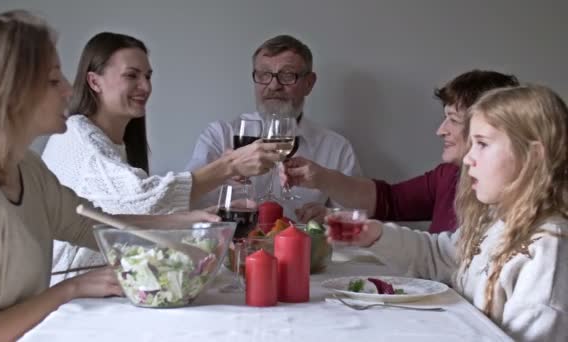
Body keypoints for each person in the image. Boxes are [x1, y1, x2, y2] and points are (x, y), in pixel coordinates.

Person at [0, 11, 219, 340]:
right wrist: (71, 288)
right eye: (54, 80)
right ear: (12, 92)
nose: (69, 89)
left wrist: (185, 222)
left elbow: (90, 225)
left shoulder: (27, 167)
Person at [41, 32, 284, 282]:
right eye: (131, 75)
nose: (145, 87)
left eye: (147, 76)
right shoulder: (77, 134)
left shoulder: (115, 144)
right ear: (94, 81)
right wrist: (229, 166)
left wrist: (194, 219)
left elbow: (127, 217)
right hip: (69, 298)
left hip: (107, 290)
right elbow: (142, 200)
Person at [345, 85, 568, 341]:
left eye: (482, 144)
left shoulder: (549, 249)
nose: (468, 158)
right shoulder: (495, 221)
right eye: (471, 144)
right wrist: (376, 235)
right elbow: (440, 256)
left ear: (533, 156)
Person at [282, 70, 519, 232]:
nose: (440, 130)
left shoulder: (517, 201)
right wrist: (322, 178)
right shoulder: (448, 175)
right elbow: (390, 200)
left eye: (453, 120)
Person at [185, 34, 362, 220]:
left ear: (309, 83)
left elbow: (356, 218)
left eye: (287, 75)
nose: (274, 85)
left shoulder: (337, 148)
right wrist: (221, 172)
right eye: (264, 75)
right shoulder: (220, 136)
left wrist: (330, 217)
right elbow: (183, 206)